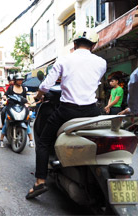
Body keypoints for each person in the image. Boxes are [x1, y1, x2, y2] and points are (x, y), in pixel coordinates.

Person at [26, 29, 107, 199]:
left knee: (43, 141)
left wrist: (38, 96)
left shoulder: (64, 60)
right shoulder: (101, 62)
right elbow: (94, 81)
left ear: (75, 44)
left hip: (67, 111)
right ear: (93, 45)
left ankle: (40, 181)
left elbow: (45, 86)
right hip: (92, 111)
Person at [0, 73, 34, 148]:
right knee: (6, 121)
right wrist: (4, 97)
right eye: (18, 80)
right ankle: (1, 140)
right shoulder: (11, 88)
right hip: (11, 106)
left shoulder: (24, 89)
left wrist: (27, 103)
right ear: (15, 80)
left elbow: (25, 99)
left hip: (21, 107)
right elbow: (6, 95)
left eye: (21, 80)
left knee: (26, 122)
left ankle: (31, 140)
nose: (20, 81)